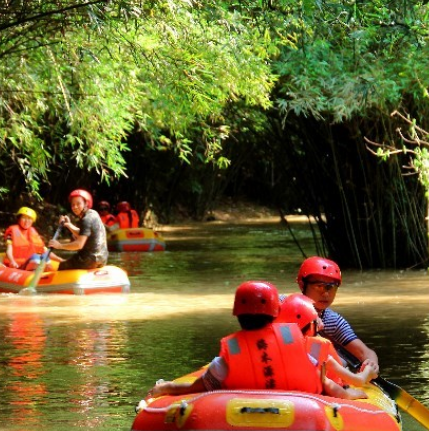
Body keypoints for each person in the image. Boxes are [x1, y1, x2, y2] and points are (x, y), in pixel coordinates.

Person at [147, 281, 367, 400]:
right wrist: (353, 394)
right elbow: (327, 386)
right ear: (274, 314)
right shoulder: (298, 344)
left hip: (233, 413)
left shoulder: (229, 351)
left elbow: (200, 386)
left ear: (237, 315)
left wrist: (168, 388)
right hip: (304, 411)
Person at [277, 292, 378, 394]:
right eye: (316, 321)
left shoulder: (278, 347)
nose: (321, 325)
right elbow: (358, 380)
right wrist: (369, 372)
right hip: (317, 398)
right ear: (310, 326)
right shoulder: (317, 350)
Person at [296, 256, 379, 373]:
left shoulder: (333, 321)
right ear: (302, 285)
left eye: (331, 288)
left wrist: (371, 364)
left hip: (316, 378)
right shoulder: (279, 305)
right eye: (319, 286)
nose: (326, 294)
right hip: (288, 368)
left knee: (341, 361)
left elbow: (365, 353)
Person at [48, 189, 108, 270]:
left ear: (86, 203)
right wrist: (68, 225)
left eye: (78, 203)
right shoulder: (93, 213)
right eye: (73, 204)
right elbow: (83, 235)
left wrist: (59, 246)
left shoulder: (86, 219)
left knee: (60, 268)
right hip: (102, 259)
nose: (75, 207)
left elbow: (79, 245)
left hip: (87, 260)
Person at [3, 206, 63, 271]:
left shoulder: (33, 232)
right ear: (19, 219)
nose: (26, 221)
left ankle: (46, 270)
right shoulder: (12, 232)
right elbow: (9, 249)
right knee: (36, 257)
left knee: (44, 256)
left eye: (29, 219)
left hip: (31, 263)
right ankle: (42, 268)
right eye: (24, 218)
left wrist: (60, 259)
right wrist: (12, 261)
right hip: (17, 265)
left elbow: (45, 250)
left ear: (32, 221)